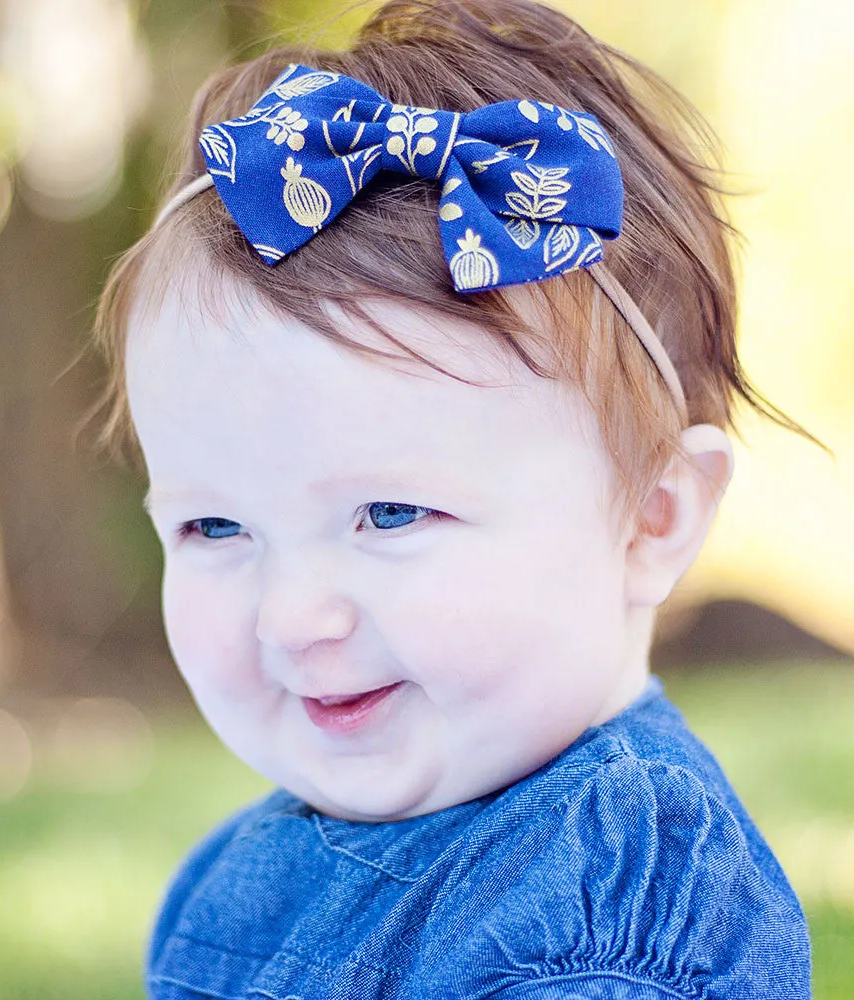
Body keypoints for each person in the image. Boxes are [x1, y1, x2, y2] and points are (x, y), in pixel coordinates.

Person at [90, 1, 820, 996]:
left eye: (391, 513)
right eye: (213, 524)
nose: (294, 614)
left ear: (651, 517)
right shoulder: (236, 876)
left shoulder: (607, 901)